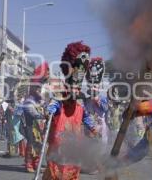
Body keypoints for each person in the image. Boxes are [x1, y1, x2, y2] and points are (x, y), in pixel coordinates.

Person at [42, 42, 97, 180]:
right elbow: (50, 109)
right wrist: (50, 110)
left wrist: (93, 128)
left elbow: (86, 117)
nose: (76, 91)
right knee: (54, 173)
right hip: (58, 148)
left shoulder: (79, 106)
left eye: (77, 89)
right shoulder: (59, 100)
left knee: (72, 172)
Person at [23, 62, 49, 173]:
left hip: (40, 128)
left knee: (39, 146)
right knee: (31, 144)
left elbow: (45, 108)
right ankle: (29, 163)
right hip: (31, 127)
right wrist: (44, 115)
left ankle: (36, 164)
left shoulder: (41, 100)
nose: (39, 90)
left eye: (40, 88)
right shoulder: (29, 100)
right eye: (37, 88)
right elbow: (33, 113)